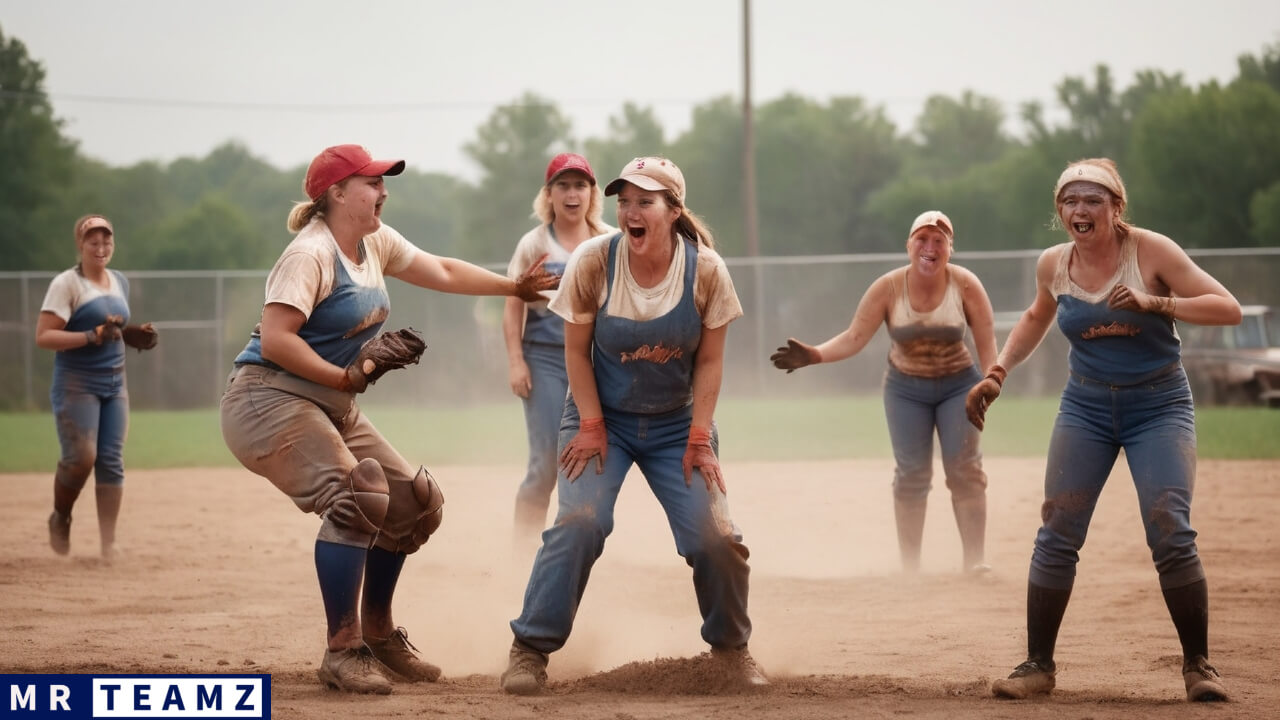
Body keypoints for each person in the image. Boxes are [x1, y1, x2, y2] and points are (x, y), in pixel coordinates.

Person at [219, 144, 556, 695]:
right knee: (358, 495)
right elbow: (277, 341)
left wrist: (513, 287)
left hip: (328, 400)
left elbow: (442, 270)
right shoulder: (310, 255)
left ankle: (377, 633)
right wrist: (344, 378)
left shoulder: (374, 241)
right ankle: (342, 650)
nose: (383, 190)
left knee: (413, 504)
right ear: (336, 194)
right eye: (371, 181)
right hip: (266, 399)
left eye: (382, 182)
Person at [967, 158, 1241, 703]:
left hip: (1158, 405)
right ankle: (1037, 666)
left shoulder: (1150, 251)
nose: (1080, 210)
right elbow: (1035, 316)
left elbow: (1227, 308)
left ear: (1117, 208)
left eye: (1093, 200)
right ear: (1059, 211)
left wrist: (1155, 301)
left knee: (1170, 525)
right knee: (1057, 528)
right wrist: (997, 373)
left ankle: (1198, 667)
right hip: (1086, 407)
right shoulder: (1055, 264)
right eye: (1069, 201)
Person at [499, 156, 766, 695]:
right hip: (602, 416)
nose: (630, 211)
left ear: (673, 211)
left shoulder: (706, 269)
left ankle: (732, 650)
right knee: (580, 521)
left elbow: (711, 362)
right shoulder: (595, 260)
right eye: (624, 201)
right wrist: (592, 425)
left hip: (678, 424)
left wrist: (699, 438)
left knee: (716, 537)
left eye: (645, 201)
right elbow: (575, 353)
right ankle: (529, 649)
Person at [770, 210, 997, 574]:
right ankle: (910, 566)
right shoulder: (889, 287)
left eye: (939, 240)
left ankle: (975, 562)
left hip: (959, 385)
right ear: (909, 245)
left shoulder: (965, 284)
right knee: (912, 474)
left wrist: (991, 380)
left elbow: (986, 338)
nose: (929, 247)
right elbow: (854, 337)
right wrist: (814, 355)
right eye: (922, 239)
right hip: (906, 389)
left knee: (965, 469)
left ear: (950, 249)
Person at [36, 215, 159, 562]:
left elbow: (114, 328)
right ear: (80, 243)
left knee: (110, 460)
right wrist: (89, 336)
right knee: (81, 458)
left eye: (106, 240)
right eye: (93, 240)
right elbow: (44, 336)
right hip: (77, 383)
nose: (101, 246)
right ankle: (61, 515)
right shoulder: (67, 284)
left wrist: (134, 334)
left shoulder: (119, 281)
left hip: (115, 383)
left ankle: (108, 545)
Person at [505, 153, 614, 541]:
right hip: (546, 356)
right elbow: (513, 302)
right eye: (562, 186)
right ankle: (522, 551)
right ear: (548, 195)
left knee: (594, 454)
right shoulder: (535, 244)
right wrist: (516, 361)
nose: (572, 194)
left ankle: (575, 543)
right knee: (547, 464)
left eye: (580, 185)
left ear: (592, 194)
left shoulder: (607, 241)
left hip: (597, 359)